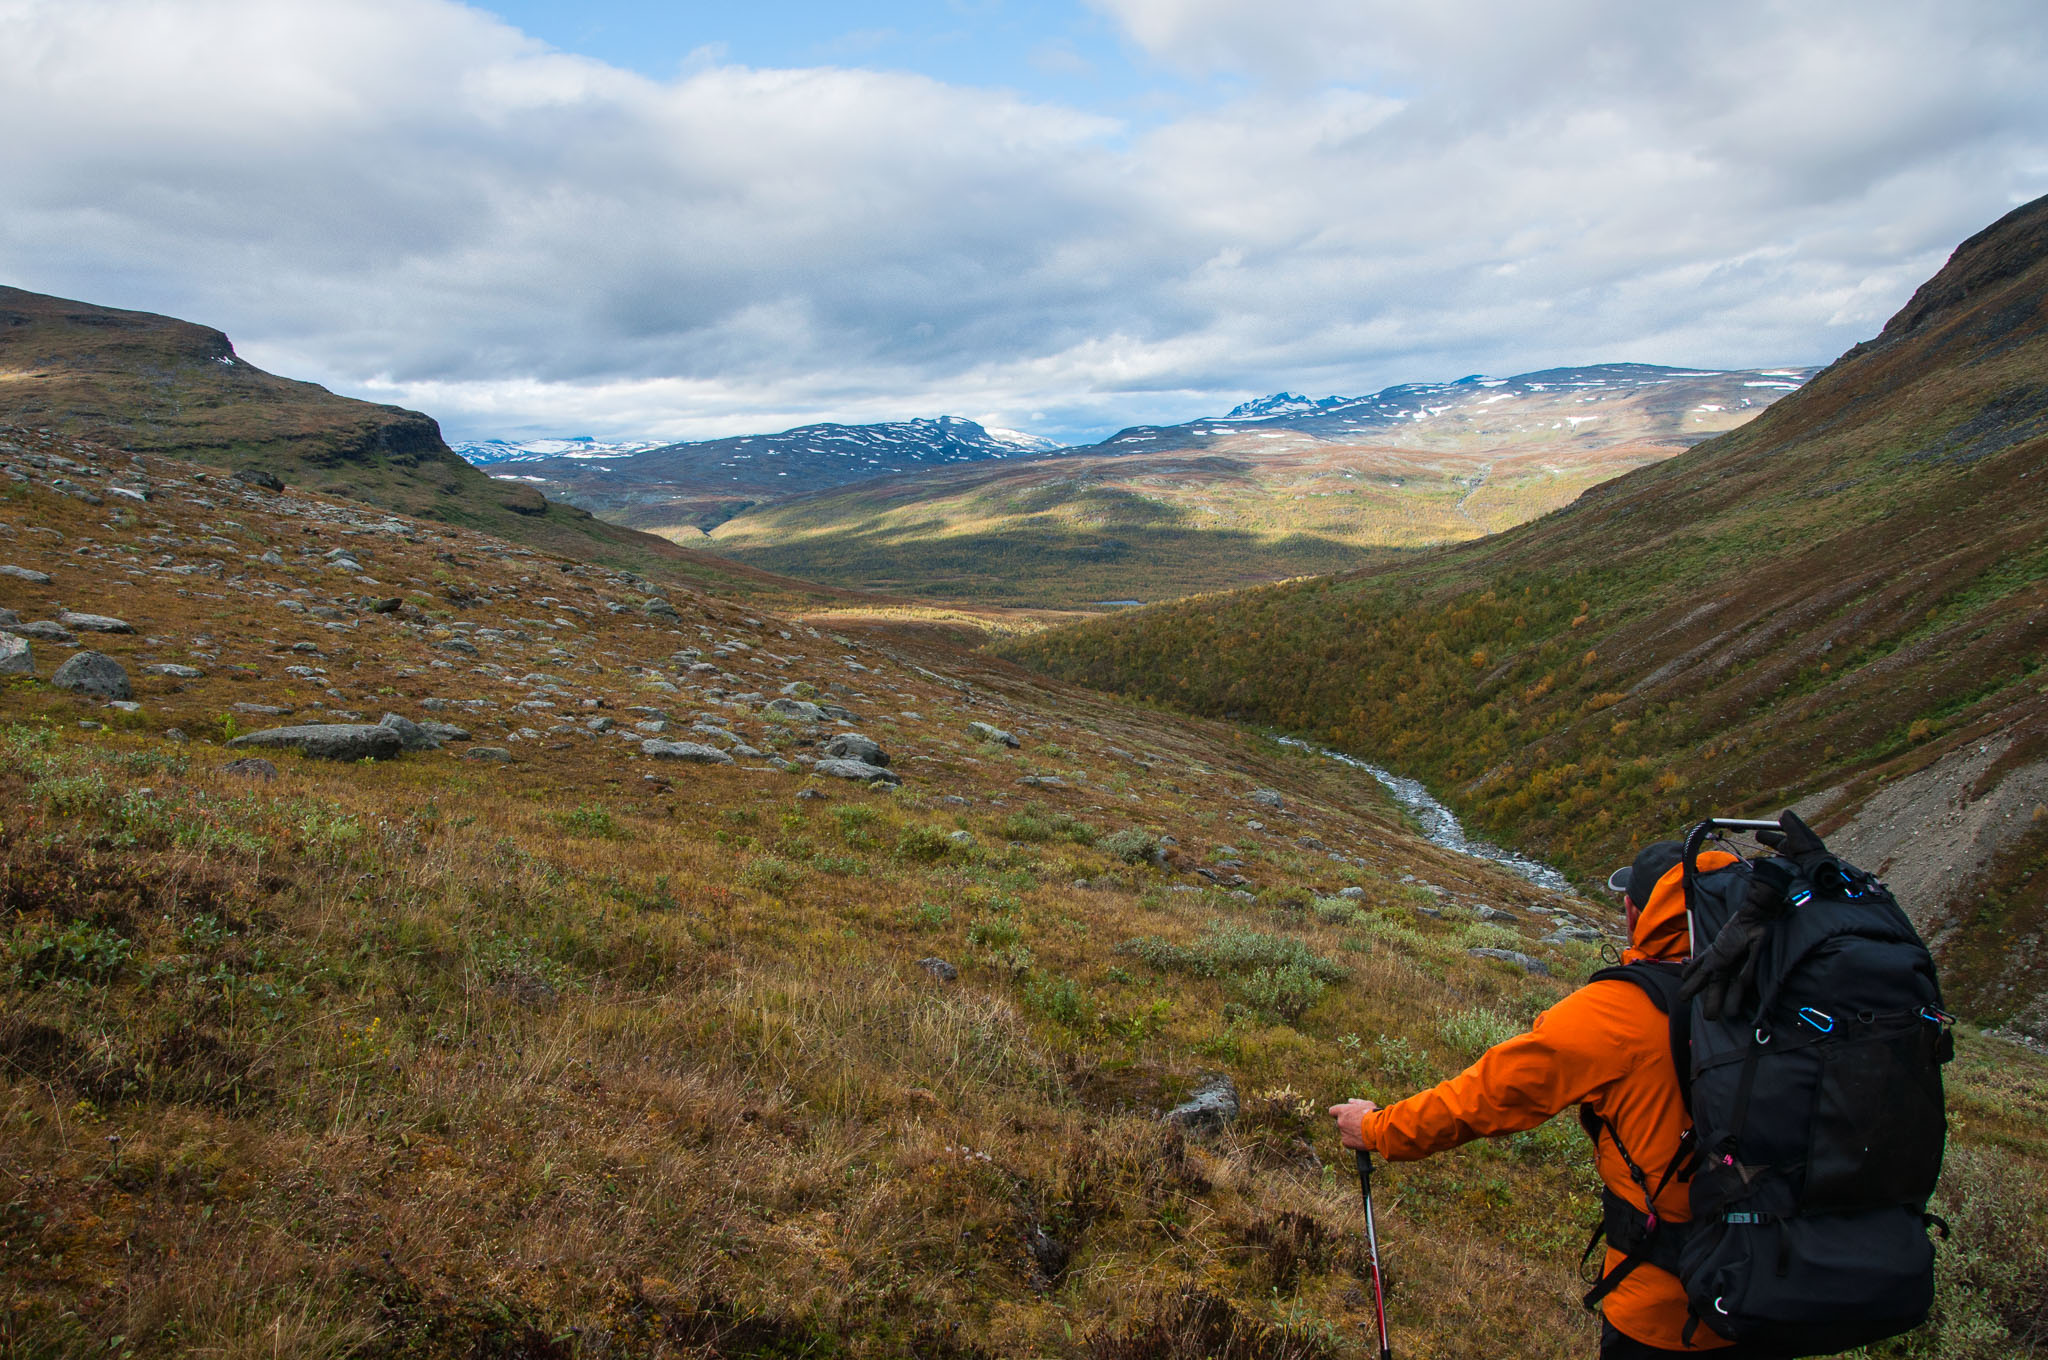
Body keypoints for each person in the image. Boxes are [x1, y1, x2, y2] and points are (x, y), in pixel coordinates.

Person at [1329, 840, 1766, 1358]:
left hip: (1669, 1313)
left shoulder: (1620, 1013)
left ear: (1636, 912)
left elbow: (1487, 1095)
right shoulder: (1786, 991)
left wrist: (1378, 1128)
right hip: (1780, 1288)